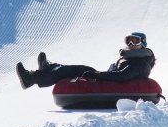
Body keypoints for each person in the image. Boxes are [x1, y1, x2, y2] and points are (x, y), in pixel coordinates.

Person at [16, 32, 156, 89]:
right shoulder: (132, 59)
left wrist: (96, 75)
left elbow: (122, 76)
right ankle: (48, 68)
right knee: (76, 69)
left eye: (135, 41)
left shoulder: (141, 63)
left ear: (143, 44)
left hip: (113, 83)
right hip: (110, 79)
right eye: (128, 41)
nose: (131, 44)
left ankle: (32, 78)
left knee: (81, 70)